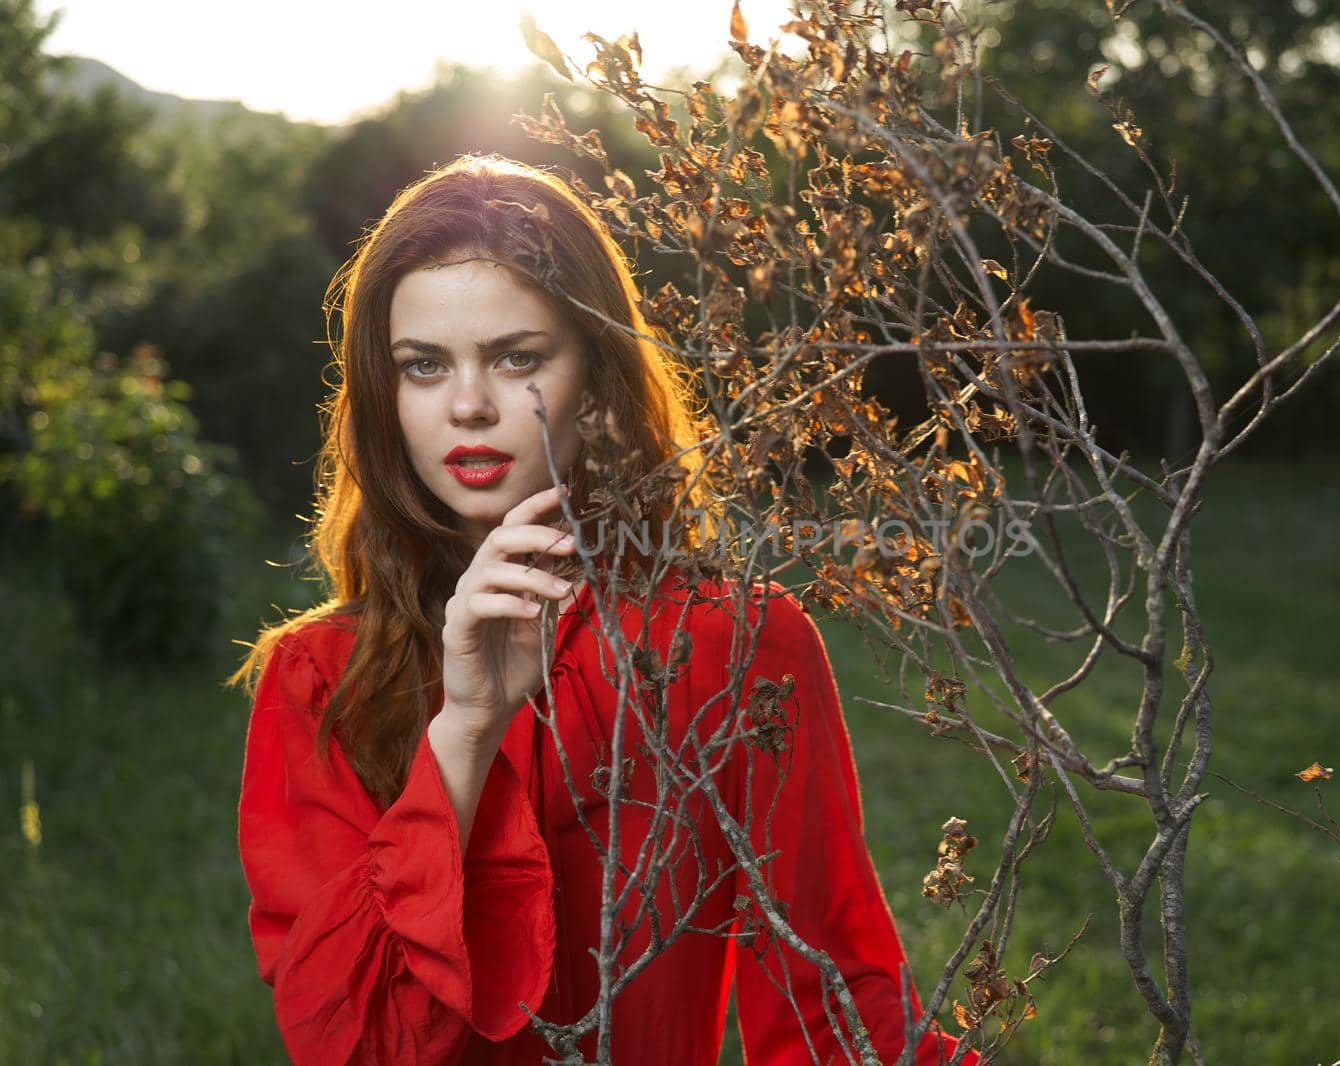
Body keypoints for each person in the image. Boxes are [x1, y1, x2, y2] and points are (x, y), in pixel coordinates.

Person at [230, 153, 968, 1065]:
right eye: (423, 367)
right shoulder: (320, 679)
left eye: (516, 359)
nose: (467, 406)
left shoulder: (731, 642)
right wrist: (462, 734)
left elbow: (829, 1005)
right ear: (386, 398)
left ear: (599, 373)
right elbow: (357, 1044)